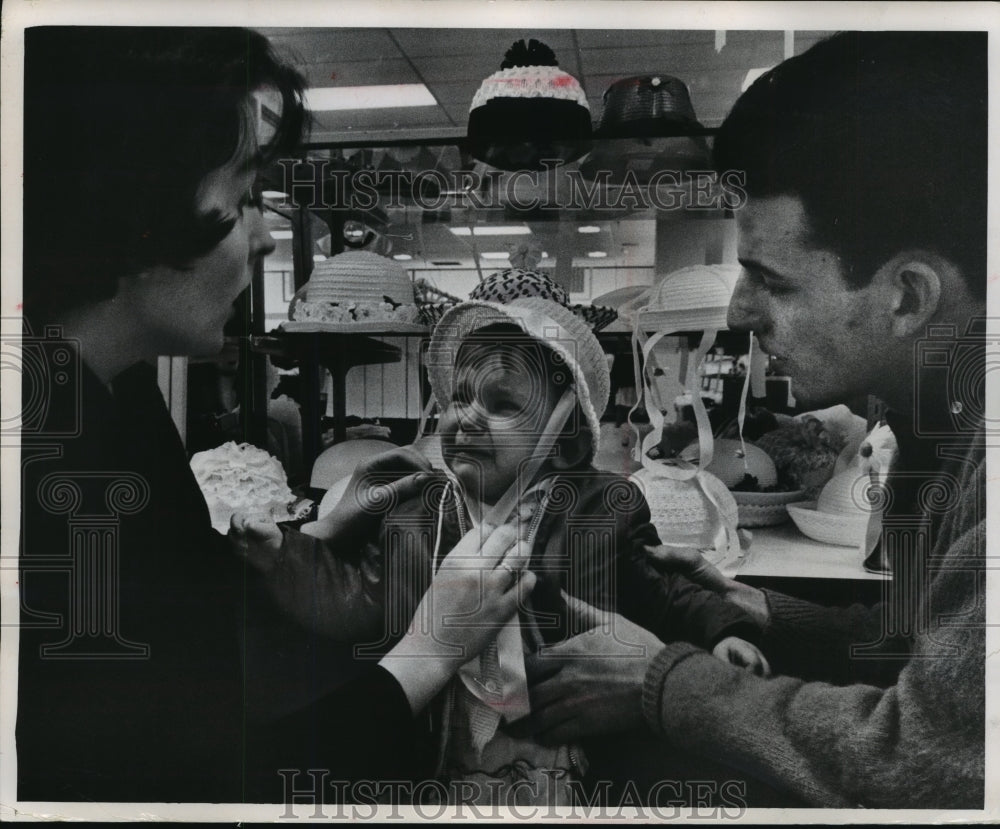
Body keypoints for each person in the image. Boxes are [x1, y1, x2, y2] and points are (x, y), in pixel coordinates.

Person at [15, 26, 534, 804]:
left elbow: (161, 620)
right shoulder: (39, 464)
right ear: (137, 194)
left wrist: (306, 544)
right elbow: (186, 790)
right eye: (248, 194)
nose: (264, 238)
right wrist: (432, 649)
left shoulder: (109, 387)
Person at [525, 30, 987, 809]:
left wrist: (666, 683)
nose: (740, 310)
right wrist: (763, 609)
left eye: (772, 280)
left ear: (907, 295)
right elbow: (922, 648)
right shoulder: (935, 414)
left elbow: (934, 755)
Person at [234, 295, 769, 806]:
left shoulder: (602, 510)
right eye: (459, 398)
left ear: (566, 440)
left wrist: (723, 629)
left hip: (568, 745)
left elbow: (664, 592)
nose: (465, 417)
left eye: (502, 403)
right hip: (443, 754)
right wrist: (283, 556)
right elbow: (353, 594)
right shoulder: (420, 513)